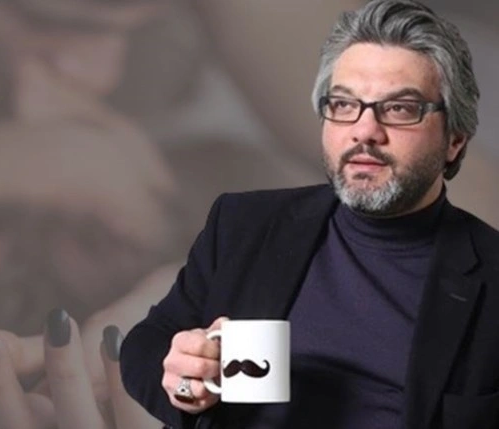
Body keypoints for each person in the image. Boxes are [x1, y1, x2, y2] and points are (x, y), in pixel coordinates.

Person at [119, 1, 499, 428]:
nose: (364, 131)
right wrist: (185, 384)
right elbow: (148, 343)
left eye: (399, 109)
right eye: (343, 104)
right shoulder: (245, 223)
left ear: (454, 140)